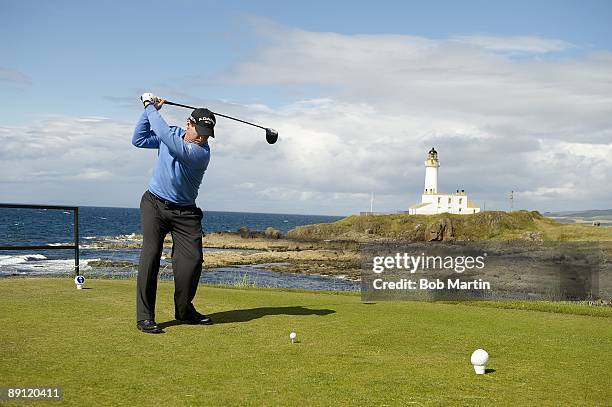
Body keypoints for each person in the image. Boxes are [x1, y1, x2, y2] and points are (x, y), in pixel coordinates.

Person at [132, 92, 215, 334]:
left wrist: (150, 106)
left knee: (191, 262)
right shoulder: (175, 134)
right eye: (198, 130)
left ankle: (184, 310)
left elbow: (166, 137)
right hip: (154, 204)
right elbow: (139, 140)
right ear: (189, 123)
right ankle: (145, 317)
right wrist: (147, 113)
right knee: (151, 255)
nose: (202, 137)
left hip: (185, 212)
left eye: (207, 134)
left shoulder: (201, 153)